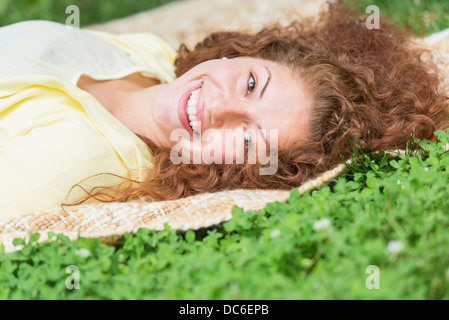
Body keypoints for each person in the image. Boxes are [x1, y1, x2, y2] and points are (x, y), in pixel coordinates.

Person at [0, 2, 448, 219]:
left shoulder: (79, 160)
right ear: (243, 53)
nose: (219, 107)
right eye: (252, 84)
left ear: (233, 175)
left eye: (248, 138)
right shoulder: (150, 58)